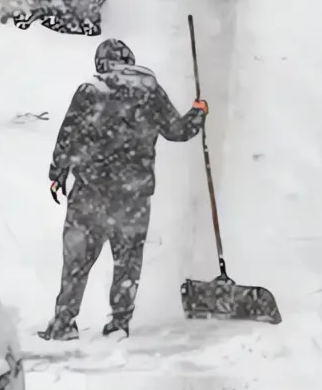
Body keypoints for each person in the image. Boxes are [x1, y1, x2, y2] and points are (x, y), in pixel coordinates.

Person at [40, 37, 207, 340]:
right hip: (133, 196)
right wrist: (198, 113)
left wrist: (57, 173)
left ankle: (64, 322)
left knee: (77, 260)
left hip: (91, 192)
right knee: (127, 261)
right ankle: (119, 323)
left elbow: (68, 136)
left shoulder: (91, 90)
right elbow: (177, 131)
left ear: (101, 63)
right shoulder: (150, 91)